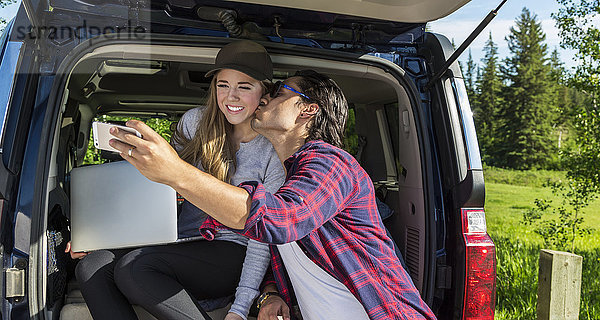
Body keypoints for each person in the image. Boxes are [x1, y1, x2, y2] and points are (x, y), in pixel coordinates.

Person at [109, 68, 437, 319]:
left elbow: (276, 221)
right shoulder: (290, 176)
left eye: (280, 93)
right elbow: (279, 246)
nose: (265, 99)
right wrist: (269, 292)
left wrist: (176, 172)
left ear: (308, 110)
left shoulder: (332, 165)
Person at [66, 40, 285, 320]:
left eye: (244, 87)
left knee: (135, 268)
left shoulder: (272, 150)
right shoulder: (194, 123)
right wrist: (98, 233)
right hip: (182, 241)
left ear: (264, 93)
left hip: (234, 251)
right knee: (91, 266)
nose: (231, 96)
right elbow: (156, 185)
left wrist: (240, 309)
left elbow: (263, 236)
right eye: (222, 85)